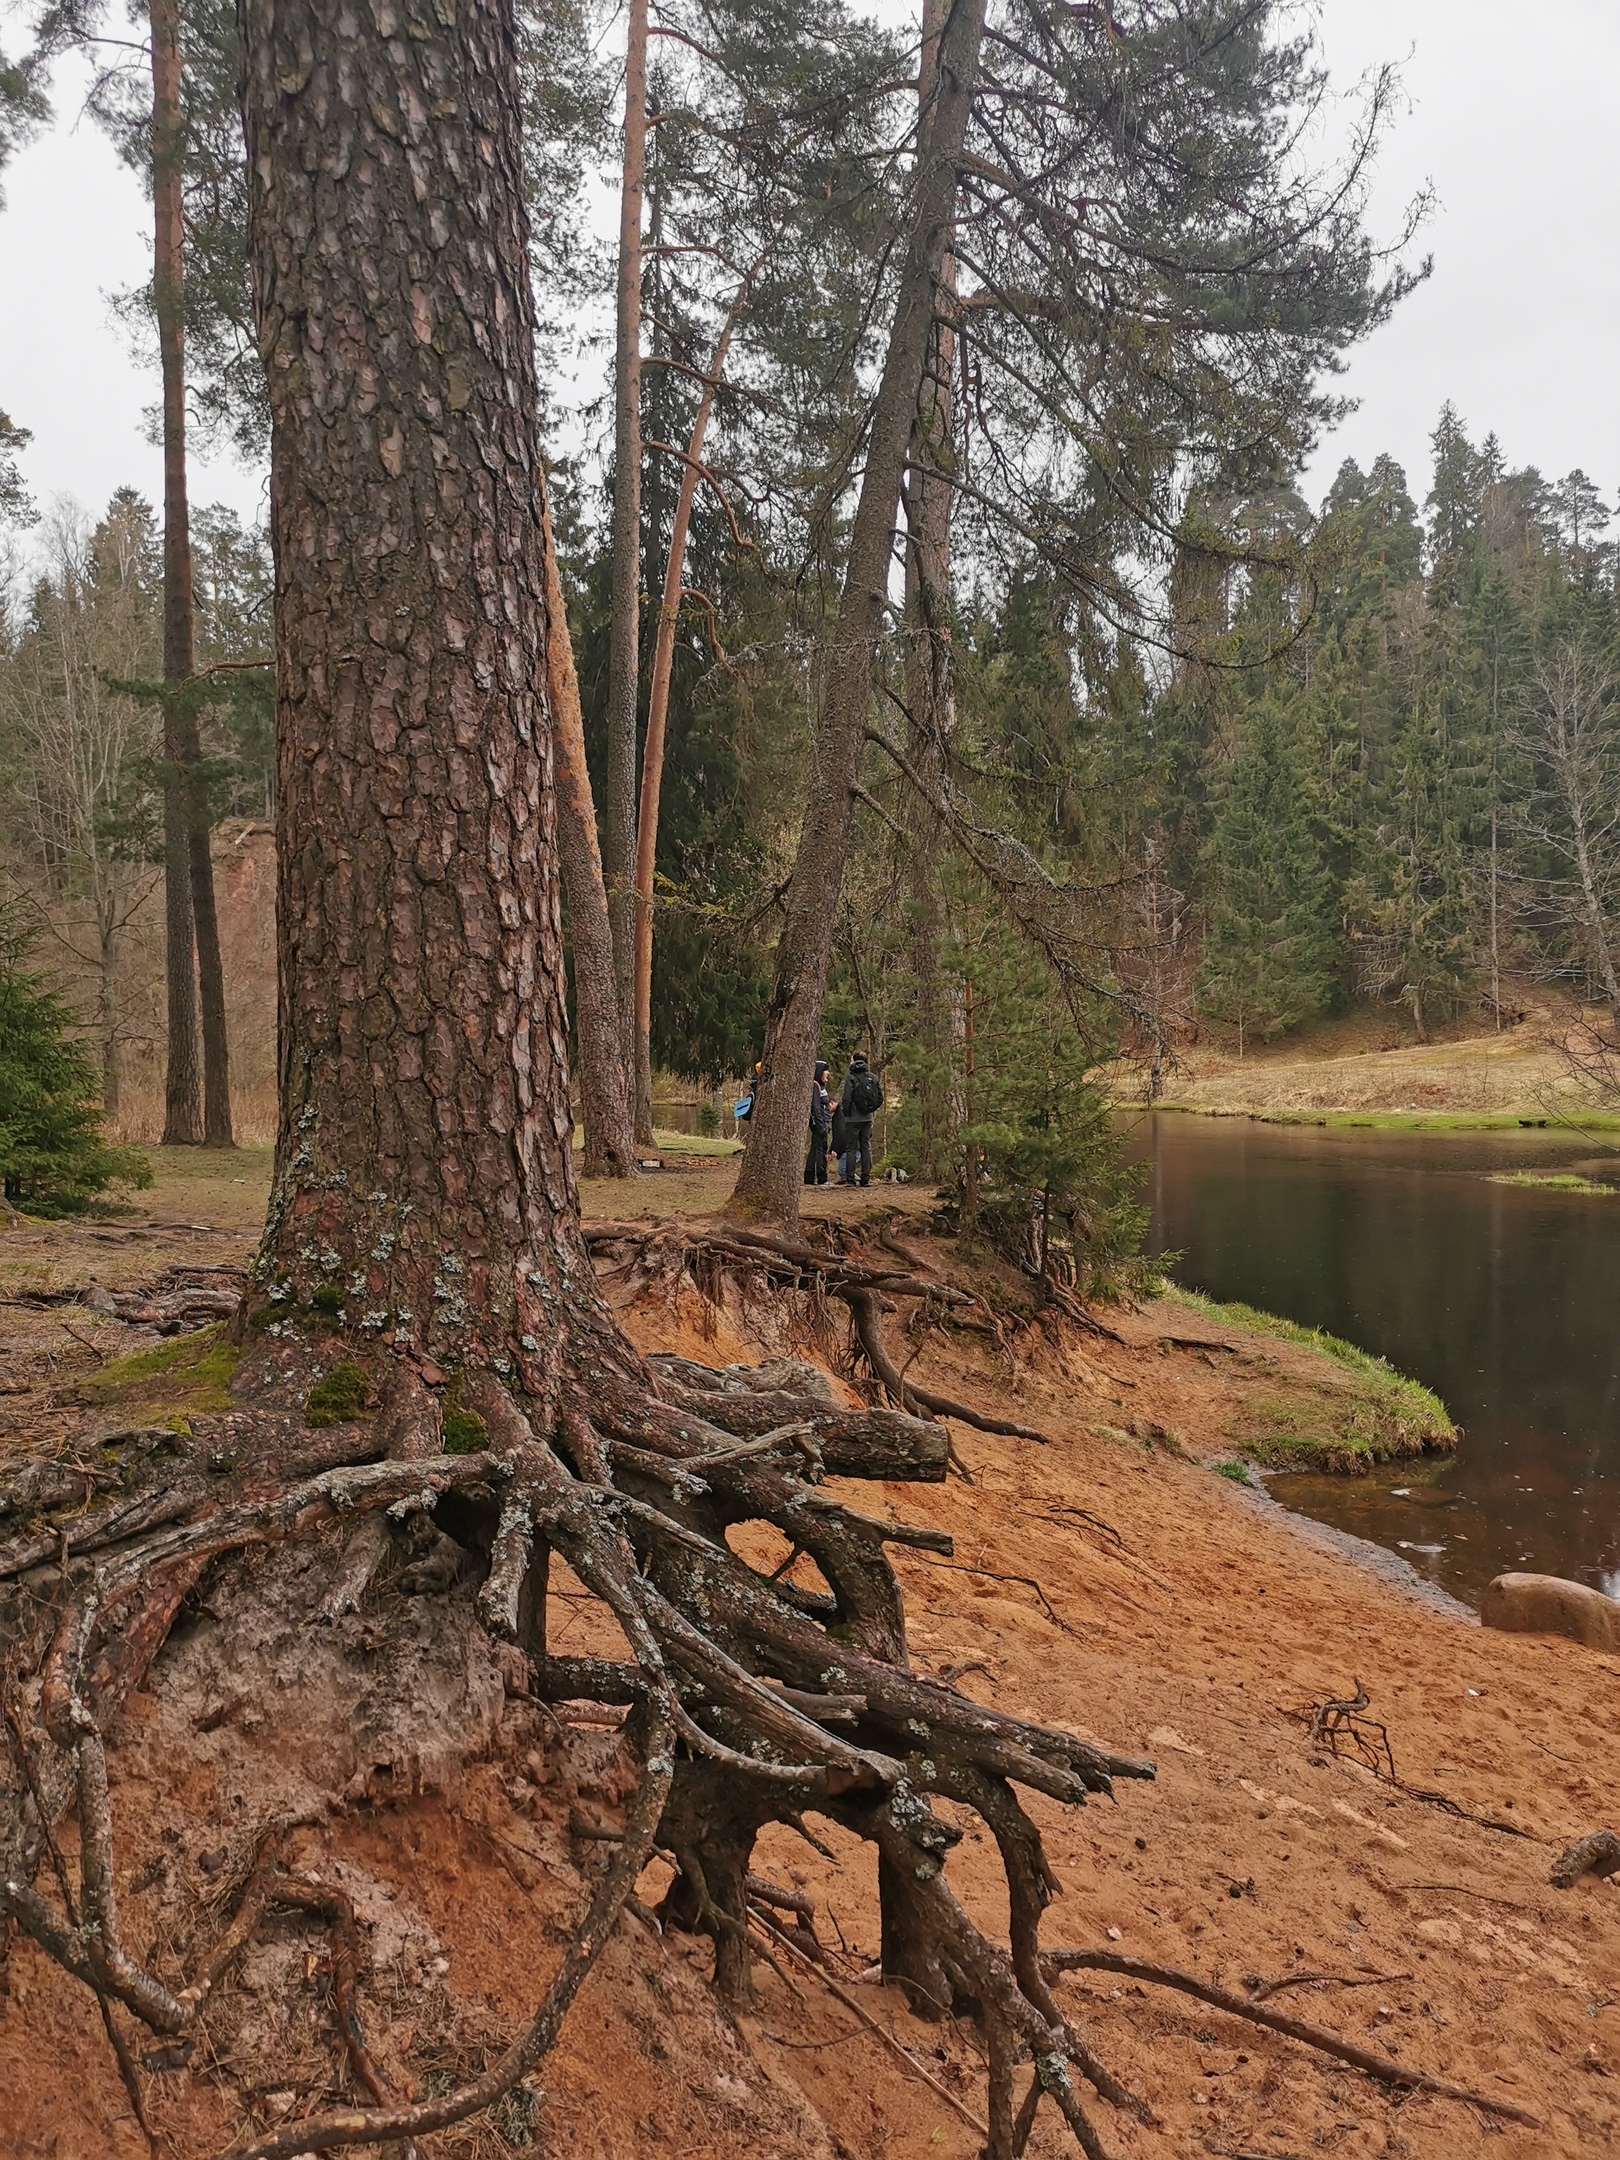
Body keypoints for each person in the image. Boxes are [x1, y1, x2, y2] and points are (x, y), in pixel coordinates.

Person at [837, 1052, 883, 1187]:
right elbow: (880, 1098)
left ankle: (850, 1179)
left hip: (852, 1118)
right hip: (867, 1118)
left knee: (851, 1148)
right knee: (865, 1147)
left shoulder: (851, 1078)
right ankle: (865, 1178)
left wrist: (846, 1113)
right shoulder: (873, 1077)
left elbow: (846, 1098)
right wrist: (870, 1110)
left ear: (854, 1061)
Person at [805, 1059, 832, 1185]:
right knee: (820, 1150)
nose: (828, 1073)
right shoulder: (815, 1085)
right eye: (825, 1070)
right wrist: (821, 1125)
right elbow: (815, 1107)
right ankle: (822, 1178)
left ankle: (809, 1177)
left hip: (821, 1121)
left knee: (815, 1149)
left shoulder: (819, 1086)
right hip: (819, 1123)